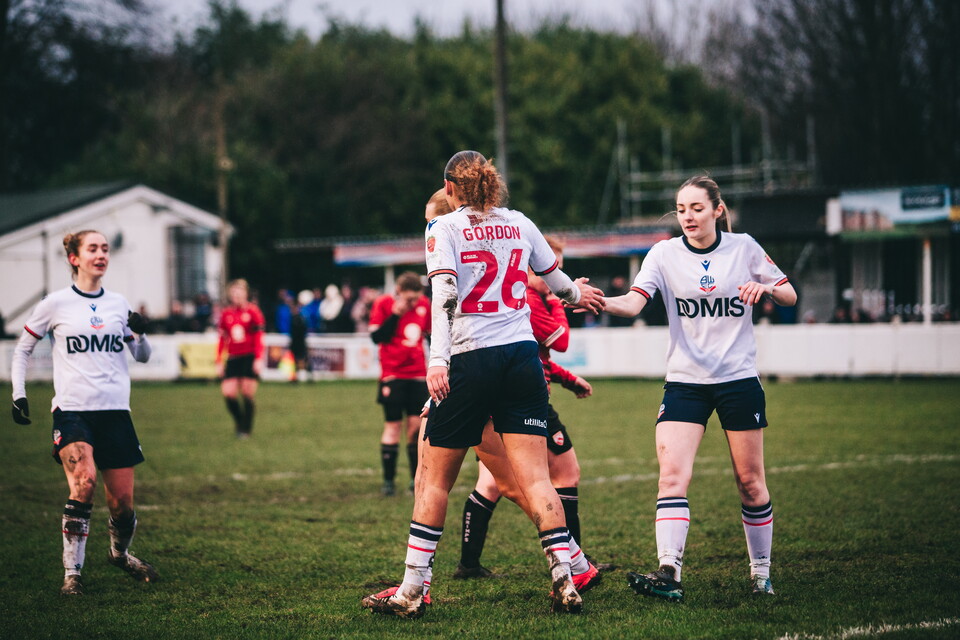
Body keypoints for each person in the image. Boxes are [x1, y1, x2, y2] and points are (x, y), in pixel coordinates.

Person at [360, 150, 604, 619]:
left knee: (433, 480)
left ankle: (412, 590)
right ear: (491, 184)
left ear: (449, 188)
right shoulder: (519, 221)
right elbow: (554, 279)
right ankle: (565, 574)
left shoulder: (444, 227)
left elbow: (445, 294)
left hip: (472, 359)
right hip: (521, 358)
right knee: (536, 479)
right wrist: (579, 293)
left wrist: (437, 360)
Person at [600, 175, 797, 601]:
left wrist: (765, 286)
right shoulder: (664, 254)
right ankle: (669, 573)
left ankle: (761, 573)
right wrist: (597, 301)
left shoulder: (743, 247)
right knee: (671, 476)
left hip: (738, 380)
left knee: (750, 482)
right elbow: (634, 302)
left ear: (717, 210)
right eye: (681, 209)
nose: (688, 216)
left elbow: (790, 295)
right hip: (685, 382)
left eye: (697, 208)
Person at [10, 229, 158, 595]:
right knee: (85, 482)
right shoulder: (55, 303)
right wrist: (19, 393)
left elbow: (141, 356)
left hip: (115, 413)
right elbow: (23, 348)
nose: (101, 254)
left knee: (122, 506)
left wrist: (139, 335)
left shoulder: (118, 304)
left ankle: (119, 554)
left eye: (105, 249)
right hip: (73, 412)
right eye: (93, 248)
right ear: (74, 258)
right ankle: (71, 574)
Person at [454, 235, 603, 579]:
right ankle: (578, 561)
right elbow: (559, 342)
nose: (554, 278)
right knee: (566, 472)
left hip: (507, 395)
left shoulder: (525, 296)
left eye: (559, 271)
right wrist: (559, 302)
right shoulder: (532, 300)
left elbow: (542, 357)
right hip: (524, 400)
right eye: (551, 270)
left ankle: (469, 563)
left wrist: (568, 380)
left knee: (492, 484)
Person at [369, 272, 431, 496]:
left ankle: (416, 480)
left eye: (415, 299)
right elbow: (376, 338)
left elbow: (432, 335)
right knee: (393, 427)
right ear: (398, 292)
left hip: (418, 376)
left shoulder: (425, 305)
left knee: (416, 429)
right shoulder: (384, 304)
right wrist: (395, 315)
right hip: (392, 376)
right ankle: (388, 481)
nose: (413, 304)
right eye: (408, 299)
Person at [216, 279, 265, 439]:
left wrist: (258, 358)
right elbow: (222, 338)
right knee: (228, 393)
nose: (236, 295)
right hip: (233, 357)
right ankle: (239, 421)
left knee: (247, 393)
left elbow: (259, 336)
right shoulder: (226, 313)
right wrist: (218, 360)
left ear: (246, 293)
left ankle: (246, 429)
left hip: (249, 356)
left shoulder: (253, 312)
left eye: (240, 292)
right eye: (234, 292)